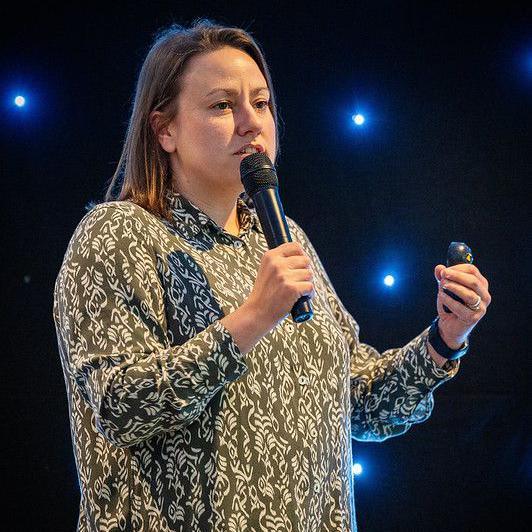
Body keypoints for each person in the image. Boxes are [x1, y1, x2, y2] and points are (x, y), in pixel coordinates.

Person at [53, 19, 491, 532]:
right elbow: (117, 408)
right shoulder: (118, 234)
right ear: (164, 129)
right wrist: (252, 319)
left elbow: (360, 406)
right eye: (222, 105)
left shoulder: (285, 238)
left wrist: (445, 337)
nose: (250, 122)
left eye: (260, 103)